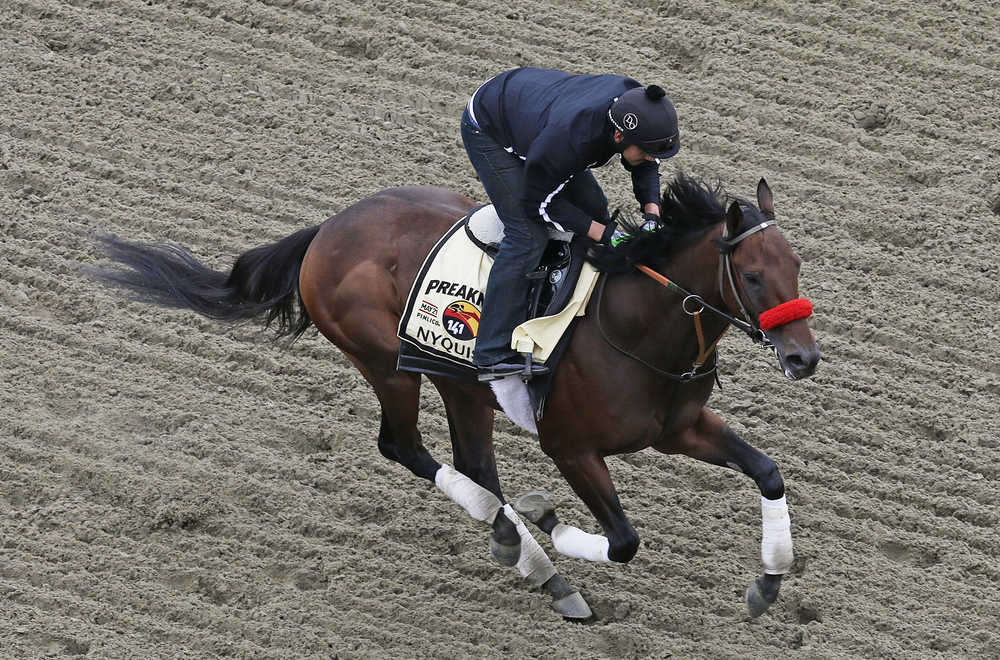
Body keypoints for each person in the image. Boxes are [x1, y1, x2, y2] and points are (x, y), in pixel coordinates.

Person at [461, 66, 681, 381]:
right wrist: (608, 236)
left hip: (536, 118)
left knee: (595, 207)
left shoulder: (633, 107)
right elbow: (538, 204)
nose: (649, 158)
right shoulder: (571, 140)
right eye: (644, 151)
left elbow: (648, 163)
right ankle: (491, 352)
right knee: (528, 237)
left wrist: (652, 215)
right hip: (490, 128)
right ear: (618, 136)